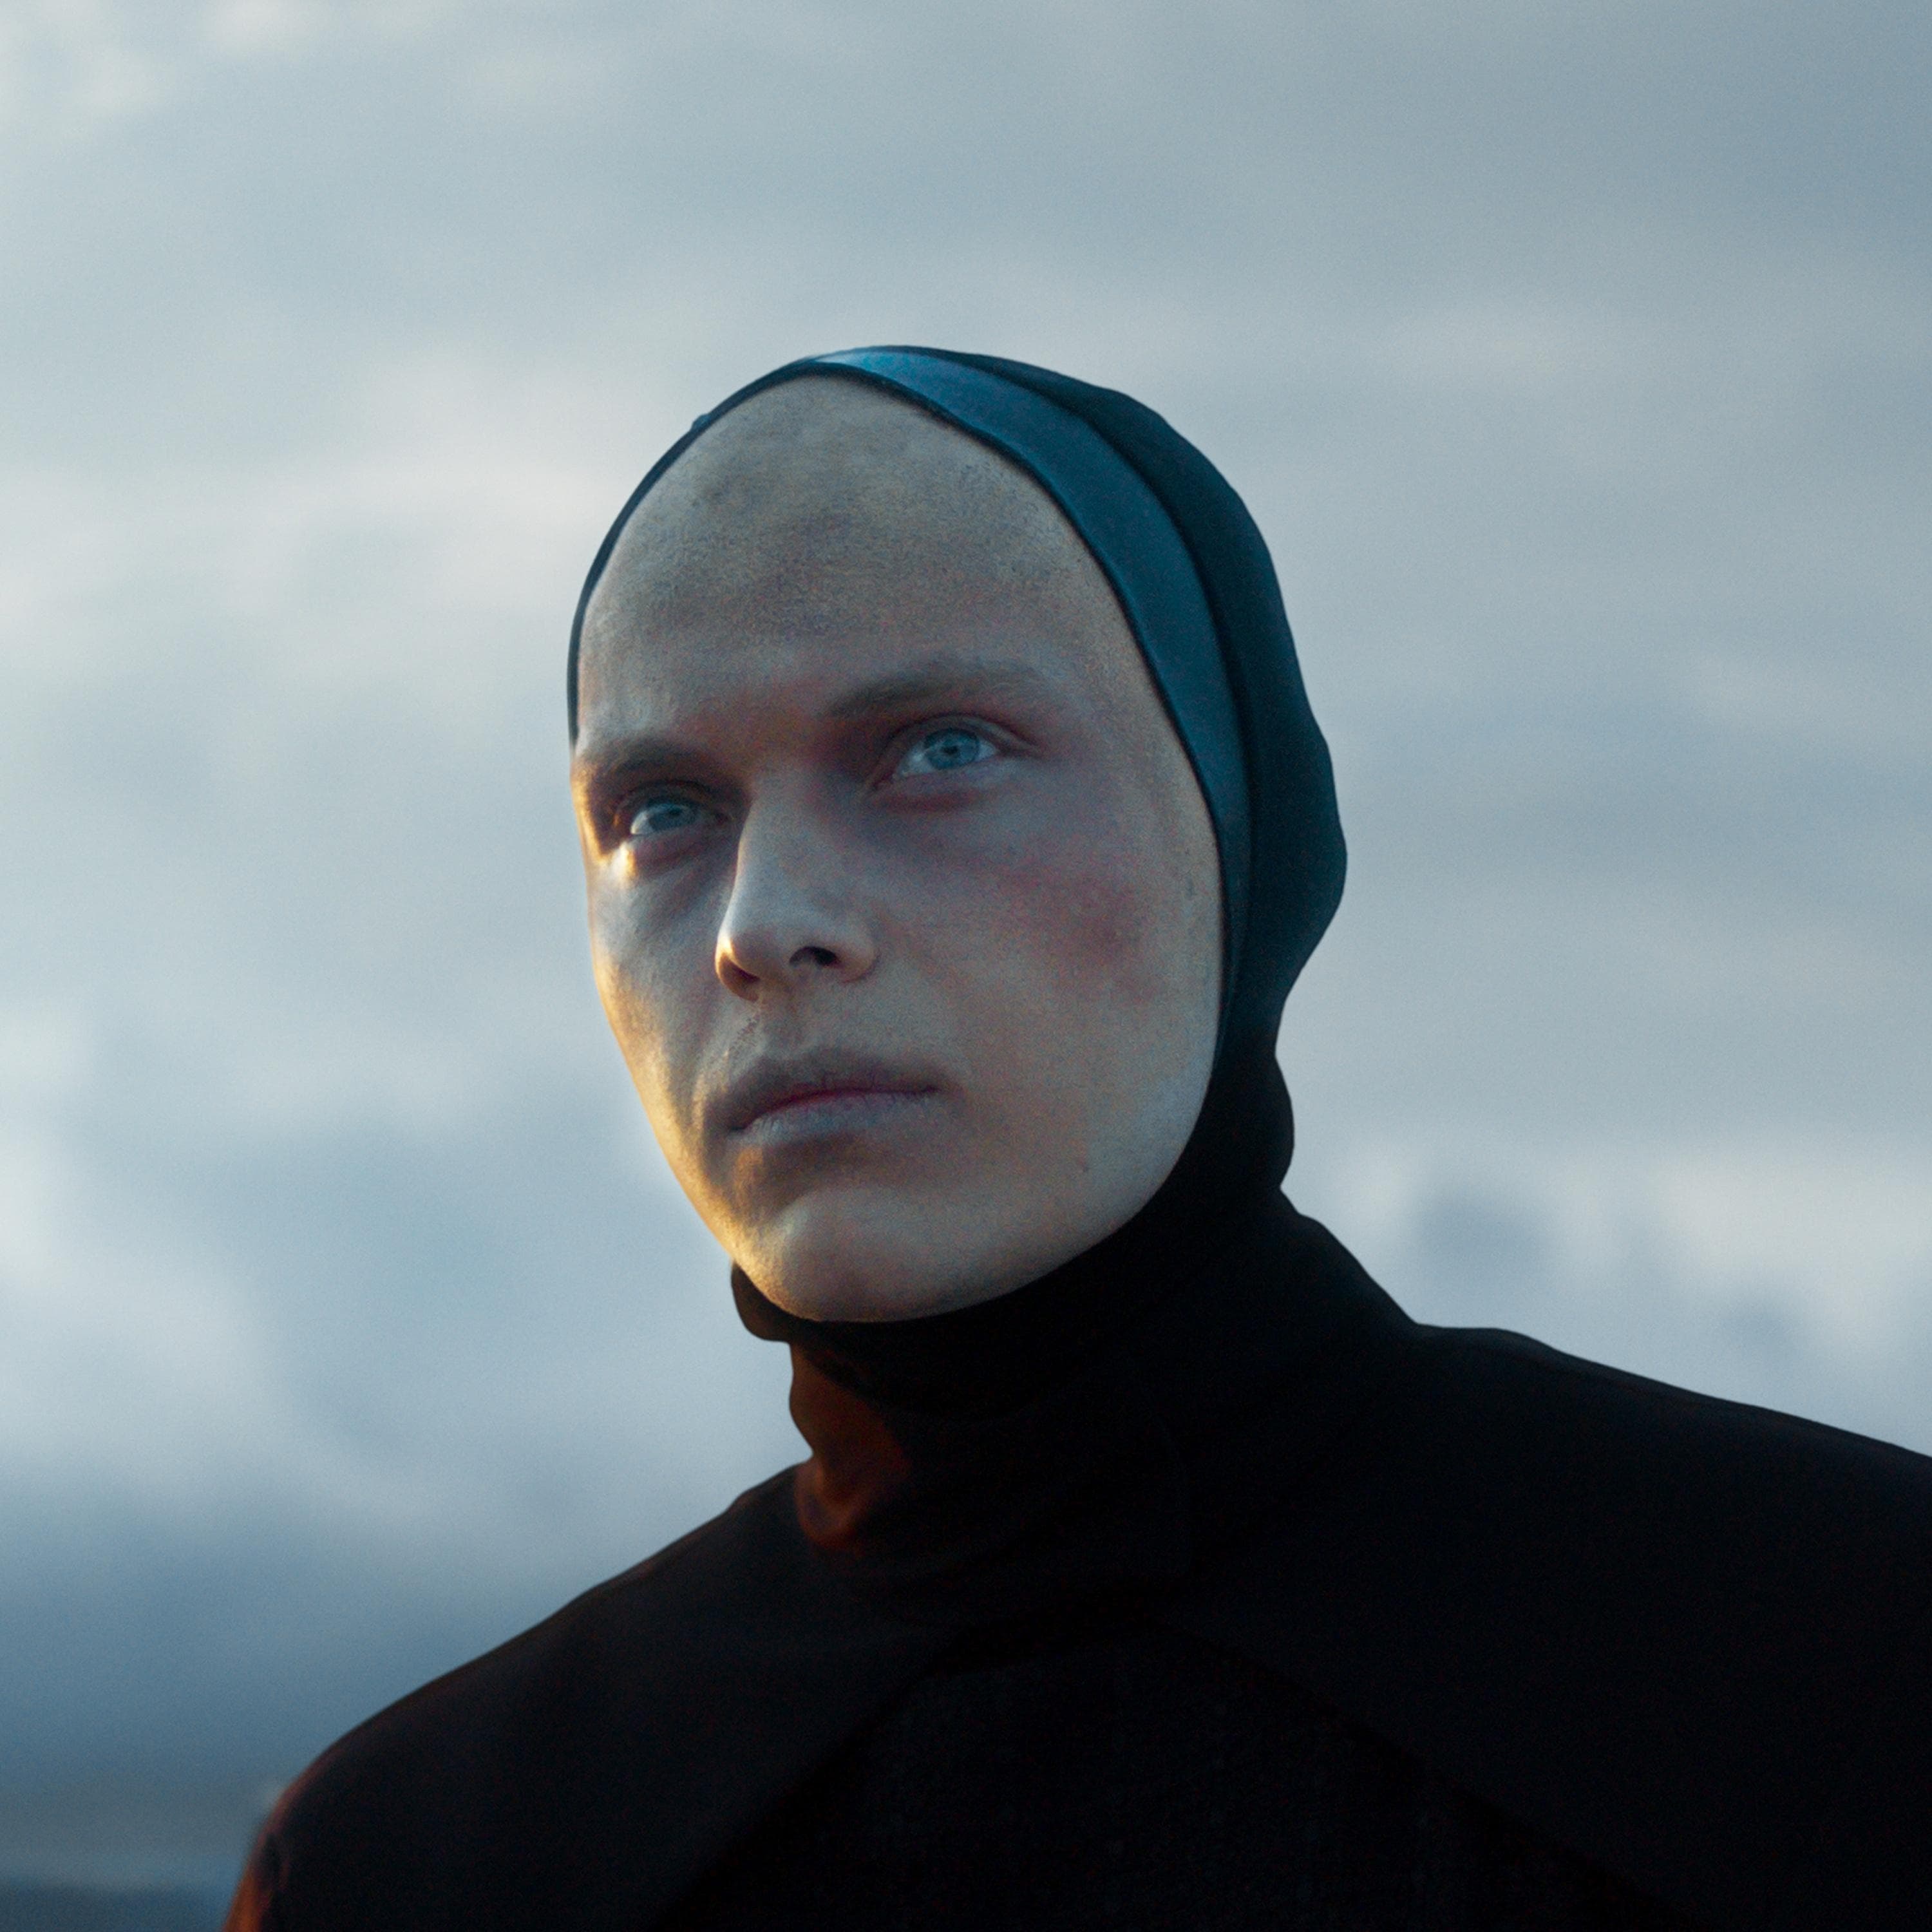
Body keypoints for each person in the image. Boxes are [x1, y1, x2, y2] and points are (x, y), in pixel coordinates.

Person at [223, 349, 1931, 1931]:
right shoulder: (417, 1861)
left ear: (1240, 840)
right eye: (661, 809)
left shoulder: (1840, 1667)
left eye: (942, 750)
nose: (766, 923)